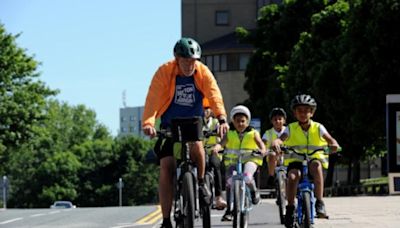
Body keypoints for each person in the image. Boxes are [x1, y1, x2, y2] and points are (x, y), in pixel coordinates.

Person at [142, 37, 230, 228]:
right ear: (177, 58)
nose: (190, 65)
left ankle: (200, 183)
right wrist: (148, 123)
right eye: (186, 61)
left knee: (197, 144)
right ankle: (166, 220)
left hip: (194, 121)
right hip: (169, 124)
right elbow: (153, 98)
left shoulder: (202, 71)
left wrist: (222, 118)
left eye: (193, 61)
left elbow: (214, 94)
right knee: (166, 167)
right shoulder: (164, 72)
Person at [271, 94, 340, 228]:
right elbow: (282, 138)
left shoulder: (318, 127)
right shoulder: (290, 128)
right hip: (296, 160)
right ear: (294, 113)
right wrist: (277, 141)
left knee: (316, 167)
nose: (303, 114)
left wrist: (334, 144)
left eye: (306, 110)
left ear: (312, 113)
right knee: (292, 176)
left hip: (314, 159)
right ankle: (290, 208)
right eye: (299, 111)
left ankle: (320, 202)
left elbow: (330, 139)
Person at [212, 105, 267, 221]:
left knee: (247, 176)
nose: (240, 124)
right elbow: (221, 143)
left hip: (250, 159)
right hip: (233, 161)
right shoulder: (230, 133)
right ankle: (230, 209)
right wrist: (216, 148)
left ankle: (253, 191)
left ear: (248, 122)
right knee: (229, 181)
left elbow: (261, 144)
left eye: (243, 121)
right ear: (233, 121)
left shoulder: (253, 133)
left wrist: (262, 150)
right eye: (237, 121)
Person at [202, 98, 227, 210]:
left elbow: (224, 135)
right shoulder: (196, 122)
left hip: (214, 151)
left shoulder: (216, 122)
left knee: (215, 165)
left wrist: (219, 142)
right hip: (200, 151)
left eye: (207, 108)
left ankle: (218, 197)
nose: (205, 111)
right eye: (202, 109)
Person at [262, 107, 287, 188]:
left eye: (280, 119)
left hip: (287, 157)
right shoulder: (268, 133)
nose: (277, 121)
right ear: (271, 121)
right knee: (272, 154)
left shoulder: (288, 131)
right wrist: (263, 150)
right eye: (275, 119)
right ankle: (271, 176)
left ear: (284, 120)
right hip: (274, 160)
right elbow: (263, 143)